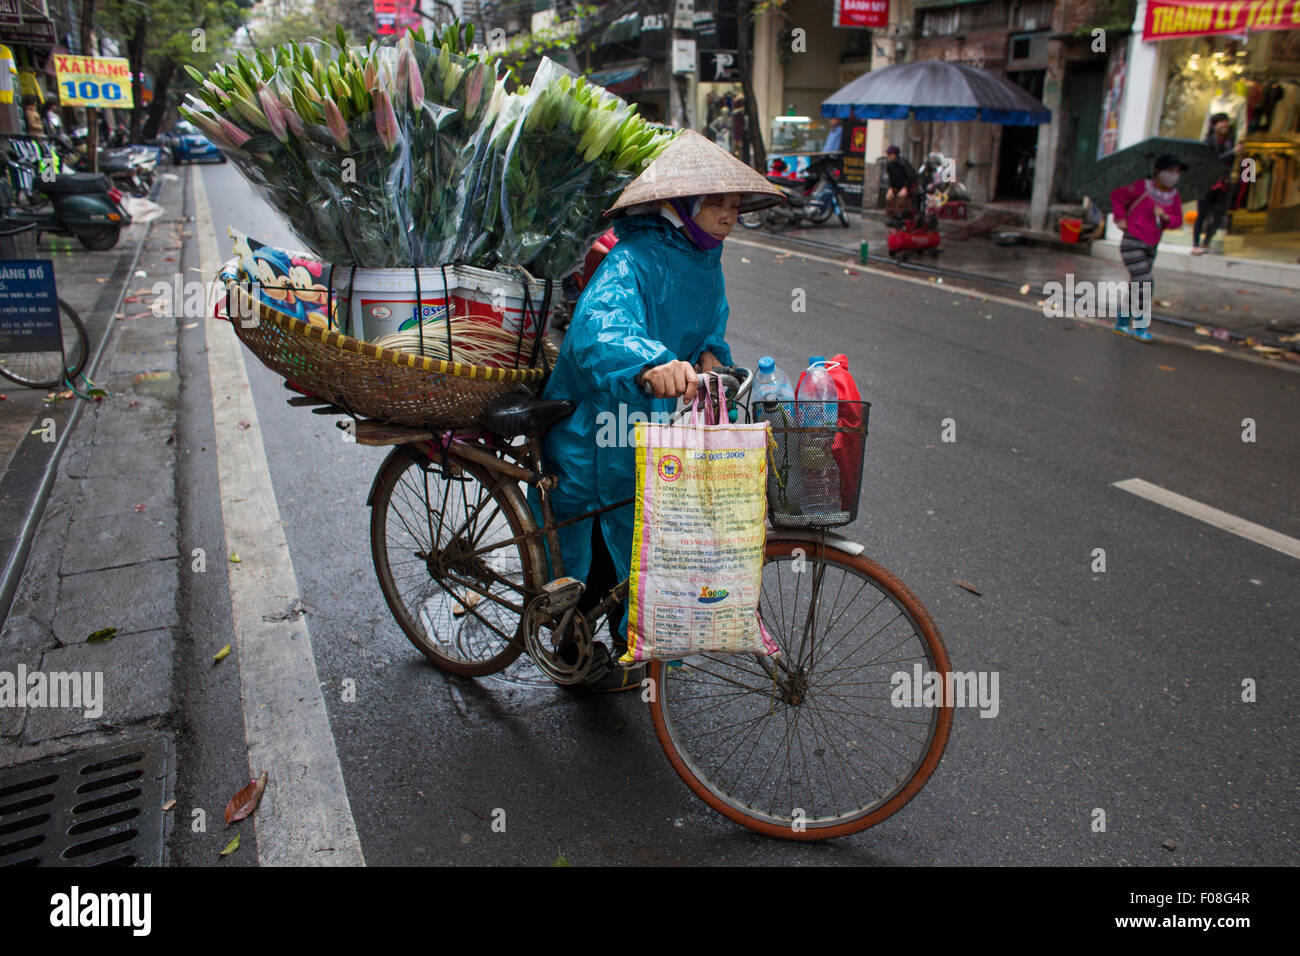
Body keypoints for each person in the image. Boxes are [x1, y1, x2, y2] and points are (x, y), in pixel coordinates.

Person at [536, 129, 782, 691]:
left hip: (655, 425)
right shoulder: (631, 260)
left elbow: (709, 332)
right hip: (598, 427)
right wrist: (653, 364)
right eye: (716, 202)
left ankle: (643, 639)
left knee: (659, 537)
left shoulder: (705, 261)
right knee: (601, 543)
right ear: (681, 207)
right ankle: (573, 638)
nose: (729, 214)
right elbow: (599, 335)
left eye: (734, 203)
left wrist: (713, 360)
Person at [1109, 153, 1187, 341]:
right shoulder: (1142, 187)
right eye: (1169, 171)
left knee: (1137, 285)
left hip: (1152, 245)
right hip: (1132, 242)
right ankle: (1140, 326)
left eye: (1177, 172)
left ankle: (1121, 324)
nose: (1173, 175)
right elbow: (1117, 196)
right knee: (1145, 282)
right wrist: (1120, 218)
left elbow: (1178, 220)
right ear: (1158, 171)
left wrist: (1167, 217)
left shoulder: (1173, 196)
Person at [1191, 112, 1243, 255]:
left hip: (1224, 183)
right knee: (1202, 213)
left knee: (1219, 213)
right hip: (1208, 182)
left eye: (1225, 121)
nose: (1224, 124)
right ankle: (1195, 243)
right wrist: (1232, 152)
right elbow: (1212, 160)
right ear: (1214, 126)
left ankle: (1207, 241)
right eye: (1220, 122)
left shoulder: (1230, 141)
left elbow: (1234, 162)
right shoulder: (1208, 142)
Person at [883, 145, 919, 220]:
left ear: (894, 155)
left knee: (901, 197)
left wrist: (905, 188)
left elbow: (910, 177)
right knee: (889, 197)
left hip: (907, 186)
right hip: (896, 186)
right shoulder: (889, 165)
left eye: (890, 154)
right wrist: (890, 188)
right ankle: (891, 216)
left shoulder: (903, 163)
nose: (888, 156)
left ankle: (900, 216)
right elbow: (890, 178)